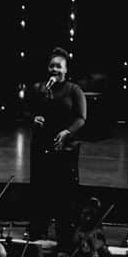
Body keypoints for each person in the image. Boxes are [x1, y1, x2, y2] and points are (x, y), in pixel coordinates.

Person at [28, 47, 86, 243]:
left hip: (65, 148)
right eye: (52, 65)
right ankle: (38, 230)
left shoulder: (74, 90)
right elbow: (28, 111)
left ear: (66, 69)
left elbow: (81, 118)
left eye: (58, 66)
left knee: (64, 192)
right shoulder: (39, 88)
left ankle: (65, 233)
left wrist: (67, 132)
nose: (54, 69)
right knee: (40, 190)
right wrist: (33, 118)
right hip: (41, 147)